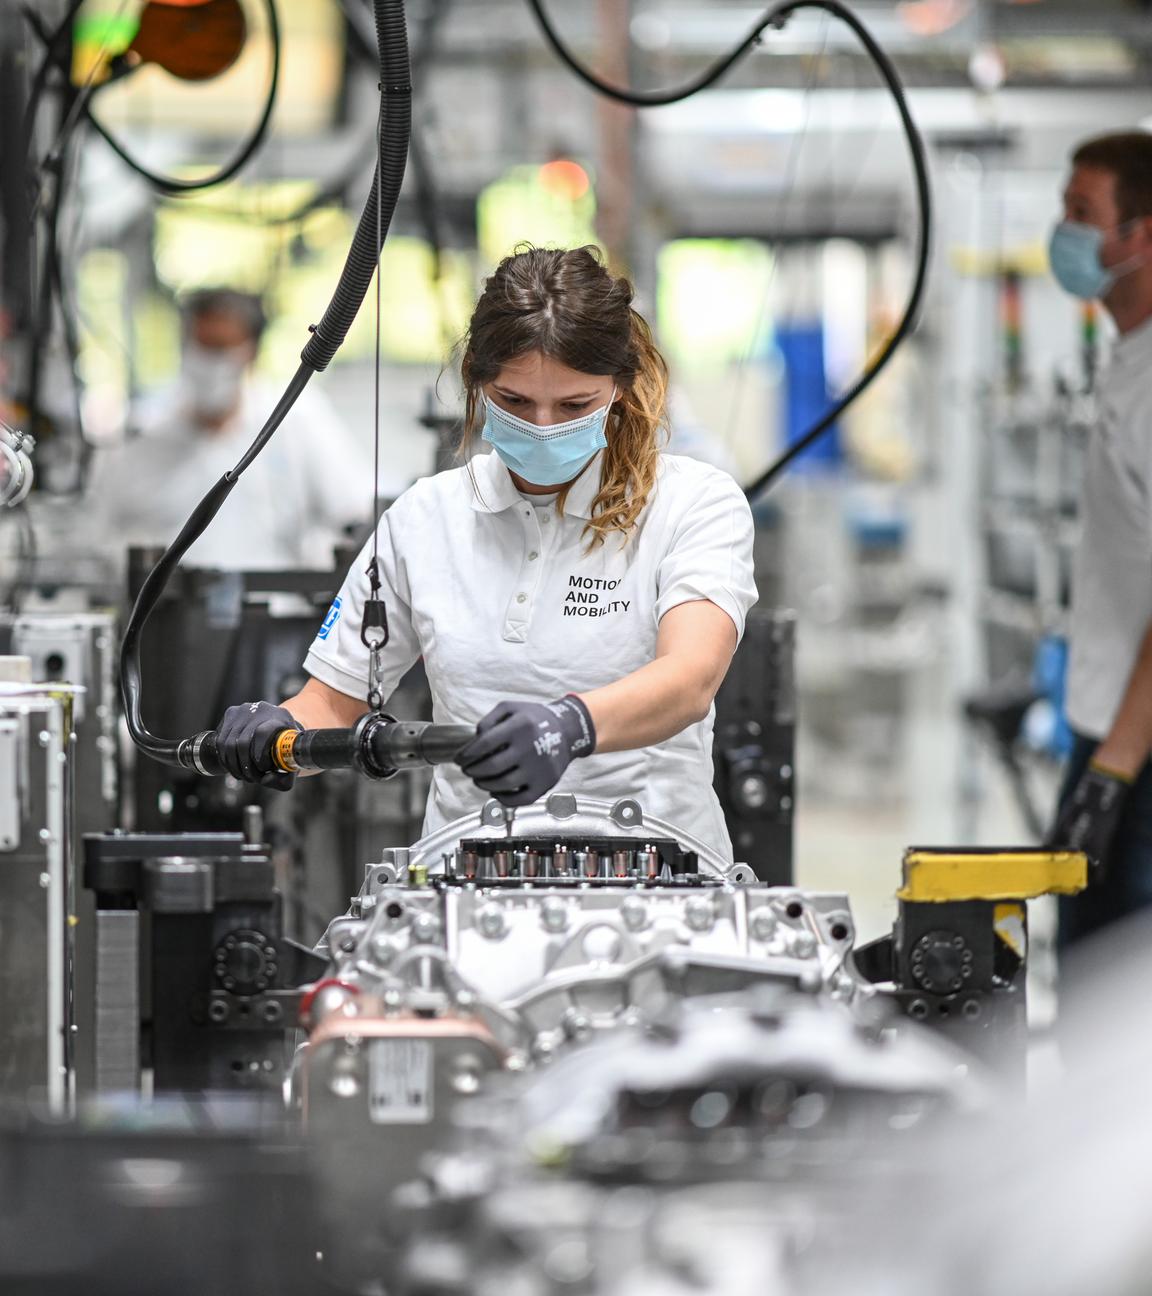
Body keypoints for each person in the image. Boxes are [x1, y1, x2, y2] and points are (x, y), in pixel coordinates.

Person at [214, 246, 758, 859]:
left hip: (661, 869)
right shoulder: (425, 519)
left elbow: (689, 679)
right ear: (476, 381)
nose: (544, 426)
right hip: (466, 877)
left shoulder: (693, 503)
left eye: (575, 406)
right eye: (516, 402)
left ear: (619, 388)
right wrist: (281, 729)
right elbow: (334, 700)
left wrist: (569, 727)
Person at [1045, 132, 1152, 945]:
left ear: (1140, 234)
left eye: (1084, 214)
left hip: (1137, 748)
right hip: (1106, 722)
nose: (1065, 233)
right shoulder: (1128, 355)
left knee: (1116, 1005)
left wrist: (1114, 767)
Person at [90, 287, 382, 570]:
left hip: (279, 609)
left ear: (251, 352)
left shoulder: (296, 418)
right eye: (202, 346)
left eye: (223, 348)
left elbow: (355, 512)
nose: (210, 363)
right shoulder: (143, 434)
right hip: (166, 614)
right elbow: (98, 539)